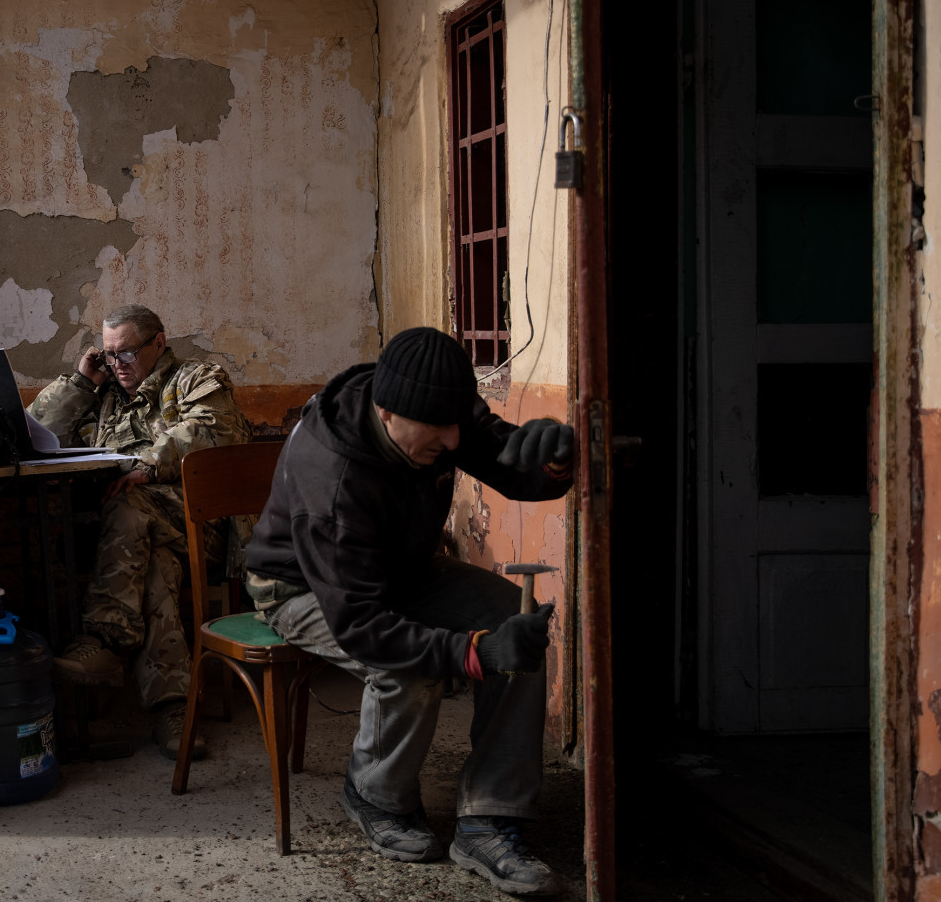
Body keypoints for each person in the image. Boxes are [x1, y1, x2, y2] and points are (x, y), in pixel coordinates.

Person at [243, 327, 574, 897]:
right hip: (301, 588)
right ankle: (376, 794)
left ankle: (490, 818)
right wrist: (472, 654)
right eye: (438, 431)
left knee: (512, 624)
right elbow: (362, 627)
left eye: (458, 426)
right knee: (407, 666)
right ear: (386, 411)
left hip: (399, 570)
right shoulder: (333, 475)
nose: (453, 442)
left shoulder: (438, 410)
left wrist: (554, 457)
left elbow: (513, 467)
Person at [29, 304, 252, 758]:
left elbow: (214, 431)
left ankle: (107, 636)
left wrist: (147, 467)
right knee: (154, 568)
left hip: (198, 528)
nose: (117, 365)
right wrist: (80, 382)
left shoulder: (196, 377)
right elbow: (37, 432)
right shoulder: (101, 391)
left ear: (158, 342)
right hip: (127, 541)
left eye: (127, 353)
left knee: (131, 501)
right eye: (108, 355)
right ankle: (173, 710)